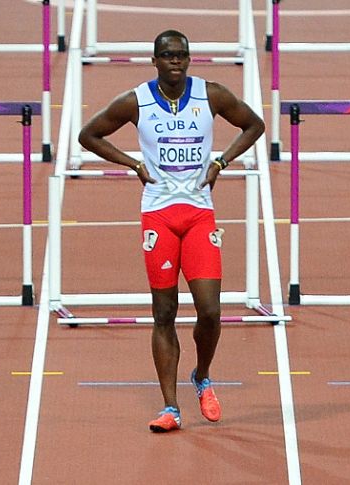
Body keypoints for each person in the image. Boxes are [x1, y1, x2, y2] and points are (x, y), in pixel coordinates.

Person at [78, 29, 265, 433]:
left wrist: (221, 163)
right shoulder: (136, 100)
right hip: (158, 216)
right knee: (164, 312)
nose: (176, 62)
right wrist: (132, 164)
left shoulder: (210, 95)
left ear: (189, 58)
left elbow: (254, 125)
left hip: (199, 214)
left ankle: (201, 375)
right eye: (168, 56)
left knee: (210, 310)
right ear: (155, 60)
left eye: (182, 55)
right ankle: (171, 408)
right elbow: (88, 135)